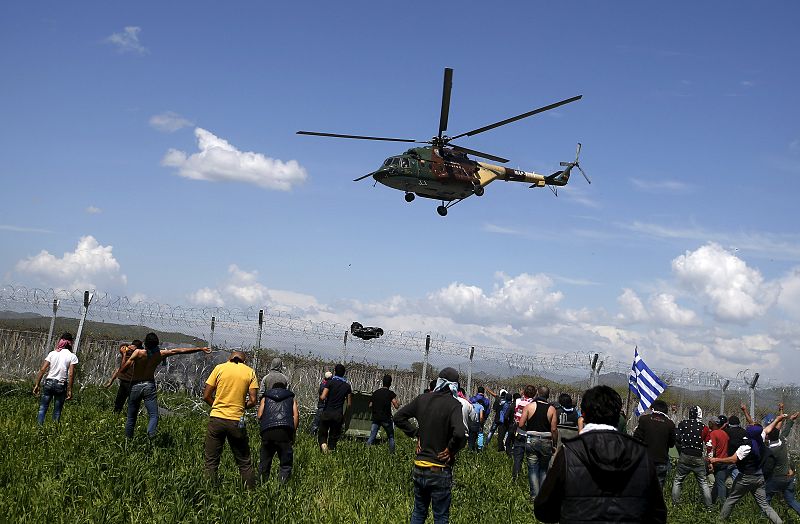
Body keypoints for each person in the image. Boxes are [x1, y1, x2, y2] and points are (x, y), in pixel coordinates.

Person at [534, 385, 667, 523]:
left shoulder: (569, 452)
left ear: (583, 414)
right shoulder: (640, 454)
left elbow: (544, 510)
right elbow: (657, 514)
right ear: (618, 415)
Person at [394, 367, 468, 524]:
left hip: (419, 466)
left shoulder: (423, 399)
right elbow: (460, 434)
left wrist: (416, 433)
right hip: (439, 468)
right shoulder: (454, 405)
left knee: (419, 512)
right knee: (440, 517)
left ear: (439, 381)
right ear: (455, 385)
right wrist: (451, 449)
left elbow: (398, 417)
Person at [122, 333, 210, 438]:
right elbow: (180, 350)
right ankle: (151, 436)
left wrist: (125, 355)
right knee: (153, 415)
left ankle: (128, 440)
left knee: (131, 417)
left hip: (136, 385)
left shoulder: (138, 353)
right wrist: (200, 349)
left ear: (145, 343)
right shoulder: (161, 353)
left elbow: (124, 369)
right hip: (149, 385)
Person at [710, 411, 786, 523]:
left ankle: (720, 521)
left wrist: (716, 459)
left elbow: (733, 459)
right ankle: (779, 522)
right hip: (759, 476)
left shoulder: (746, 446)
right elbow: (768, 429)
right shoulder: (760, 439)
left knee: (731, 500)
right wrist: (777, 419)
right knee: (764, 505)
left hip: (746, 477)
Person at [202, 351, 258, 488]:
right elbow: (253, 400)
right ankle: (250, 493)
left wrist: (216, 406)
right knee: (244, 462)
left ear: (229, 358)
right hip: (236, 420)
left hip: (217, 418)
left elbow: (206, 395)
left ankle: (208, 491)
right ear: (244, 361)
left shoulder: (219, 368)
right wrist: (241, 406)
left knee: (211, 461)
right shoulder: (249, 372)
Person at [517, 385, 558, 501]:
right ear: (548, 396)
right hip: (546, 440)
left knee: (532, 468)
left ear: (537, 394)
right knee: (544, 469)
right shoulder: (552, 409)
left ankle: (534, 495)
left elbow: (521, 424)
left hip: (531, 439)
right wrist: (554, 444)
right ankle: (543, 495)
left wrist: (529, 429)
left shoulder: (529, 406)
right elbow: (554, 429)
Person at [671, 405, 713, 509]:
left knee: (678, 480)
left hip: (685, 455)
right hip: (698, 456)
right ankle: (709, 507)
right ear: (700, 415)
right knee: (703, 483)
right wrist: (709, 459)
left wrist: (682, 449)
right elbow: (709, 445)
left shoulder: (683, 424)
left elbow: (677, 437)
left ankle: (675, 505)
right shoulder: (704, 428)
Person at [257, 380, 299, 483]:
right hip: (284, 431)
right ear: (285, 388)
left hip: (268, 431)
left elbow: (259, 415)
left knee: (264, 462)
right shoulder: (291, 398)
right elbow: (296, 415)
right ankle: (282, 487)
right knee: (285, 464)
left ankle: (262, 485)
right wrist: (293, 432)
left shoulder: (265, 398)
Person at [33, 332, 78, 424]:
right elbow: (71, 374)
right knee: (57, 410)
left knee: (43, 408)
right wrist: (70, 389)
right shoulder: (72, 356)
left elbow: (42, 369)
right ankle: (54, 428)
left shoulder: (52, 353)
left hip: (48, 382)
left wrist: (37, 384)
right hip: (61, 384)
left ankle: (39, 427)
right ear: (71, 343)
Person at [763, 407, 800, 517]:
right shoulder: (782, 440)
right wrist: (790, 419)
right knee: (791, 500)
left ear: (768, 436)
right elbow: (785, 430)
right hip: (789, 477)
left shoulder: (770, 450)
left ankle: (762, 518)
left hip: (777, 478)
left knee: (765, 500)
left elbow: (768, 468)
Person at [632, 399, 676, 489]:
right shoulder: (670, 424)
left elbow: (636, 438)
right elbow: (672, 444)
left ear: (653, 409)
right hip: (661, 461)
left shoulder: (644, 419)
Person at [318, 363, 352, 452]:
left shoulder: (330, 383)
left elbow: (323, 397)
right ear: (344, 373)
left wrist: (320, 396)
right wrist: (345, 415)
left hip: (327, 412)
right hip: (338, 414)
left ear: (335, 372)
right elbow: (349, 404)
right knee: (333, 436)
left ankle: (324, 446)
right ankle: (331, 450)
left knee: (322, 434)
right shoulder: (347, 386)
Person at [104, 340, 141, 413]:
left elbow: (123, 367)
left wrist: (125, 353)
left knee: (132, 403)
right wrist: (111, 381)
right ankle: (116, 414)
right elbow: (118, 370)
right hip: (124, 382)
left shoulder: (136, 356)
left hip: (133, 383)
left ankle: (130, 416)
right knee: (119, 402)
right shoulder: (123, 357)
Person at [366, 374, 400, 453]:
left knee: (372, 437)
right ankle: (392, 454)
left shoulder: (376, 393)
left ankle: (366, 452)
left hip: (376, 418)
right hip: (386, 419)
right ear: (390, 383)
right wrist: (398, 403)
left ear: (382, 382)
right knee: (391, 437)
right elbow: (396, 405)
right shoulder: (390, 393)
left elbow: (370, 405)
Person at [511, 386, 535, 479]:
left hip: (519, 432)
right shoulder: (534, 404)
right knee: (531, 459)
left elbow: (518, 396)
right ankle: (531, 478)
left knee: (517, 458)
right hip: (530, 433)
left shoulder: (518, 402)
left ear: (524, 393)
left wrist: (522, 393)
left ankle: (515, 477)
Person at [706, 416, 730, 504]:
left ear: (713, 424)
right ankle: (715, 500)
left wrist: (710, 462)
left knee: (719, 483)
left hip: (716, 461)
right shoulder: (724, 434)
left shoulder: (713, 433)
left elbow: (712, 448)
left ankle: (722, 503)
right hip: (723, 460)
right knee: (719, 482)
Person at [309, 371, 332, 435]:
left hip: (322, 405)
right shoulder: (325, 386)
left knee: (318, 422)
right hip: (323, 406)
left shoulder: (323, 384)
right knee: (317, 422)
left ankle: (314, 434)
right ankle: (312, 433)